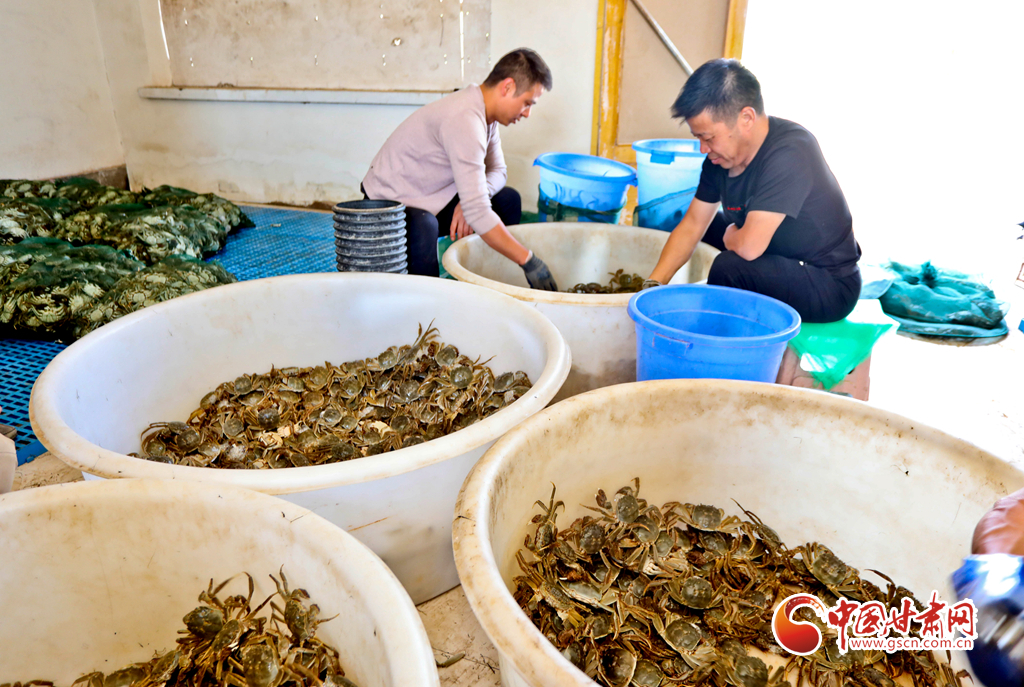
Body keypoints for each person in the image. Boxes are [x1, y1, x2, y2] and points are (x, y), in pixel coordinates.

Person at [645, 59, 861, 323]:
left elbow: (748, 248)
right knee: (703, 225)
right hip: (780, 255)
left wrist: (732, 237)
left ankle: (715, 344)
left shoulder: (792, 151)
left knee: (729, 267)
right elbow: (692, 225)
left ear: (746, 118)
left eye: (709, 137)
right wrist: (650, 287)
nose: (703, 148)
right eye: (698, 137)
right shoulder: (719, 159)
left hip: (828, 283)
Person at [361, 48, 557, 290]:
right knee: (424, 225)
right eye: (527, 103)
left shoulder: (486, 115)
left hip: (429, 197)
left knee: (507, 200)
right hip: (385, 206)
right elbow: (478, 212)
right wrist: (529, 261)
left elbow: (499, 171)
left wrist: (473, 199)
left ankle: (487, 279)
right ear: (507, 87)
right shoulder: (465, 118)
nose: (527, 113)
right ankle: (429, 301)